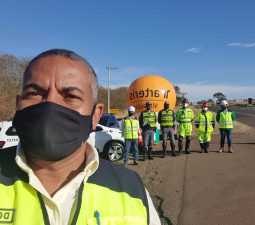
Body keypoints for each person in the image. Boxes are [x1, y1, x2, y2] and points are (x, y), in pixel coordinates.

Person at [0, 49, 161, 225]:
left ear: (95, 115)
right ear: (18, 104)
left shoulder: (131, 190)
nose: (50, 105)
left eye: (71, 96)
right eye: (34, 93)